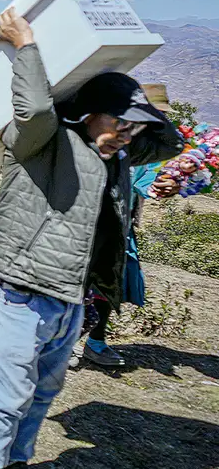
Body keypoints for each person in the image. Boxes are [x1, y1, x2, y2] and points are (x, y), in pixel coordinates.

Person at [0, 9, 183, 469]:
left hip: (70, 295)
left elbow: (170, 142)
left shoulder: (119, 153)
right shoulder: (41, 143)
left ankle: (16, 466)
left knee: (44, 390)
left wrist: (138, 105)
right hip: (21, 290)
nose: (125, 134)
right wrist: (26, 45)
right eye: (118, 122)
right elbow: (34, 110)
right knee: (10, 390)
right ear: (88, 113)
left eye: (132, 129)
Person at [74, 84, 182, 369]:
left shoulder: (139, 148)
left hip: (117, 228)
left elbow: (150, 178)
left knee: (108, 285)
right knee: (80, 286)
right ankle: (67, 342)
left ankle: (95, 342)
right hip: (84, 226)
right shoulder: (96, 140)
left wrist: (164, 186)